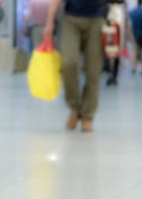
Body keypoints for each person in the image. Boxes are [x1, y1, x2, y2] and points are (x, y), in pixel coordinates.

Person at [44, 0, 108, 132]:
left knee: (93, 71)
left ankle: (87, 116)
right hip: (71, 20)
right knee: (68, 63)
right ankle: (74, 107)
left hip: (97, 21)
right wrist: (49, 23)